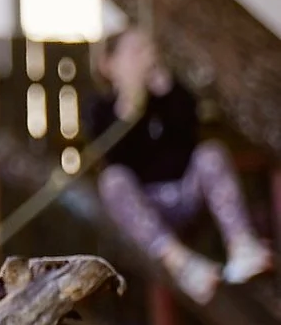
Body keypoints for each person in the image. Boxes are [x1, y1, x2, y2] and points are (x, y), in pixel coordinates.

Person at [90, 27, 270, 305]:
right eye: (134, 52)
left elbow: (188, 137)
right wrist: (128, 109)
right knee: (112, 181)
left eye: (148, 50)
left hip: (185, 193)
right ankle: (181, 263)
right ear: (108, 64)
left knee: (211, 154)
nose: (144, 58)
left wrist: (167, 90)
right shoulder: (103, 109)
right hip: (148, 208)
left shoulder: (171, 96)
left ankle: (242, 246)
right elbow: (112, 155)